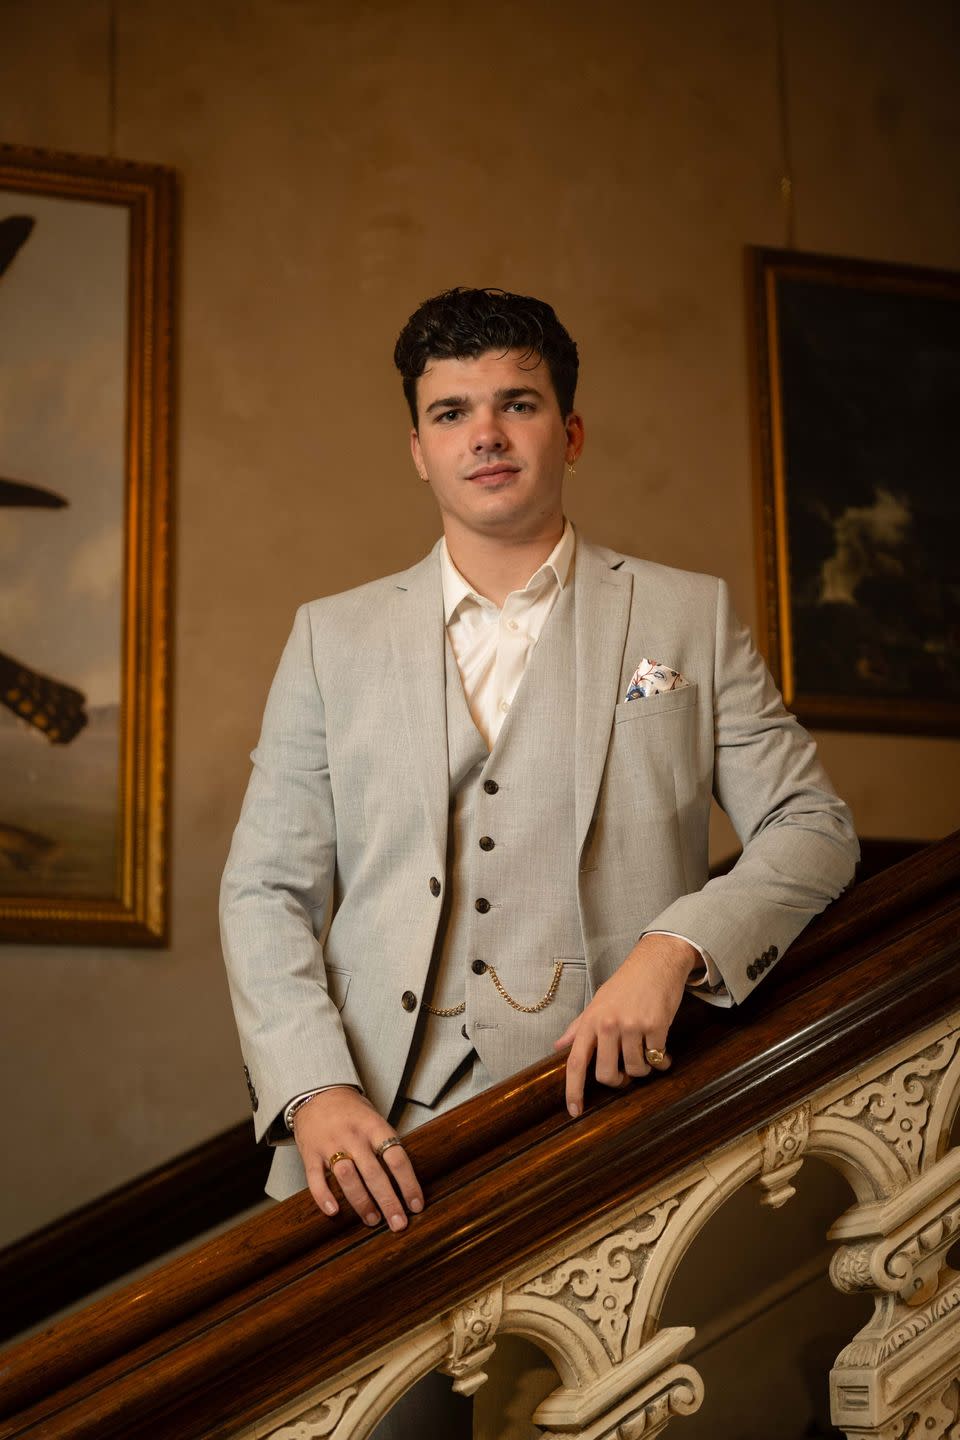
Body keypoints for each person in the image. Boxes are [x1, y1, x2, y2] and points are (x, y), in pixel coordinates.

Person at [220, 286, 858, 1437]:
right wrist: (313, 1089)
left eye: (517, 403)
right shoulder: (333, 636)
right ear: (417, 447)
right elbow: (265, 887)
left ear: (569, 430)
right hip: (383, 1144)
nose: (487, 433)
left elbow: (813, 826)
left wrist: (677, 945)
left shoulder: (684, 617)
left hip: (612, 1129)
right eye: (453, 411)